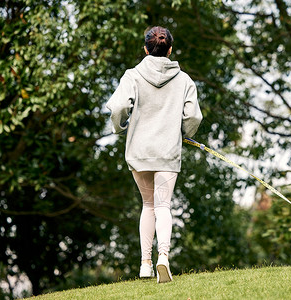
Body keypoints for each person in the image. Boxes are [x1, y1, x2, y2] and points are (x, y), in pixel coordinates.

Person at [105, 26, 203, 283]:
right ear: (170, 50)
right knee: (163, 205)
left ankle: (145, 264)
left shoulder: (132, 75)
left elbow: (118, 107)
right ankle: (164, 257)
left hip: (139, 152)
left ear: (146, 49)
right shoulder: (184, 80)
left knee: (148, 205)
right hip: (167, 152)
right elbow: (193, 116)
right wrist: (185, 133)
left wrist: (119, 128)